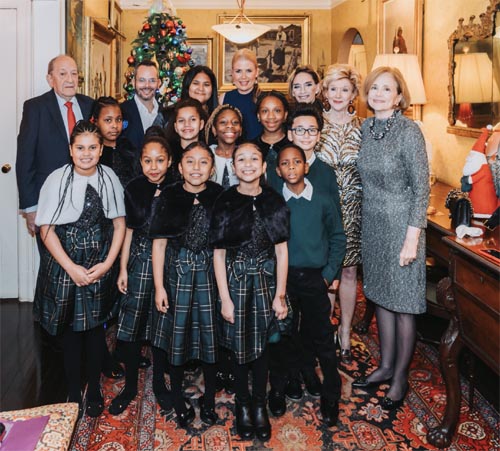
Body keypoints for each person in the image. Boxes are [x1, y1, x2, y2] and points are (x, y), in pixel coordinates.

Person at [33, 120, 126, 418]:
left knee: (95, 331)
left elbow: (119, 223)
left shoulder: (109, 177)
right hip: (65, 264)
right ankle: (74, 389)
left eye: (92, 148)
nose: (86, 154)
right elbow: (45, 229)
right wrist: (71, 268)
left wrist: (109, 263)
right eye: (80, 148)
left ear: (100, 150)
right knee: (72, 331)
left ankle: (95, 389)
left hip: (98, 261)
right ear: (71, 150)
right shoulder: (56, 179)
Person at [353, 67, 429, 411]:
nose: (379, 94)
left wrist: (412, 239)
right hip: (373, 224)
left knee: (404, 304)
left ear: (399, 97)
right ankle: (384, 365)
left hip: (402, 227)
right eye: (375, 88)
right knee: (381, 296)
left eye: (388, 89)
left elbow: (421, 189)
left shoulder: (410, 131)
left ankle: (399, 376)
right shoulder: (366, 129)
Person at [210, 142, 289, 441]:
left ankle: (260, 405)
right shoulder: (225, 201)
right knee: (240, 349)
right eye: (240, 159)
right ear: (233, 167)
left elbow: (281, 252)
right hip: (236, 282)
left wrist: (279, 294)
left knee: (263, 349)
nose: (247, 164)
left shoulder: (273, 199)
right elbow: (218, 254)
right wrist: (225, 299)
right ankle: (242, 404)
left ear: (264, 166)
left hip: (266, 281)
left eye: (253, 158)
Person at [268, 104, 341, 400]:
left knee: (314, 328)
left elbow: (335, 227)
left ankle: (309, 371)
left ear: (319, 135)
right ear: (289, 132)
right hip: (284, 269)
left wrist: (329, 274)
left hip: (314, 269)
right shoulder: (276, 171)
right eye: (299, 129)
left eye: (311, 129)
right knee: (286, 327)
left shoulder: (324, 173)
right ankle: (290, 375)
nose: (305, 134)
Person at [150, 142, 223, 428]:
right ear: (179, 167)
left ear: (212, 168)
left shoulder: (219, 196)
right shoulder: (168, 195)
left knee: (209, 338)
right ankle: (178, 398)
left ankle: (208, 400)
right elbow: (158, 245)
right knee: (177, 339)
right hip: (176, 273)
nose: (196, 168)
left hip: (208, 273)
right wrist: (159, 287)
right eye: (189, 162)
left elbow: (224, 247)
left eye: (203, 162)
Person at [108, 135, 172, 415]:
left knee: (162, 324)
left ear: (170, 162)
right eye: (148, 161)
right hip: (138, 259)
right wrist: (123, 268)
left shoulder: (177, 188)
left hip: (169, 261)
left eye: (160, 160)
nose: (154, 166)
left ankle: (160, 384)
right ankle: (131, 385)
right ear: (141, 162)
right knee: (132, 325)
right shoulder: (134, 188)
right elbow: (128, 232)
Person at [316, 64, 363, 364]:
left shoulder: (364, 127)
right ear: (324, 92)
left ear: (353, 94)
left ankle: (344, 331)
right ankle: (323, 330)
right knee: (325, 271)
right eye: (332, 88)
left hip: (355, 206)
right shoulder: (313, 123)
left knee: (348, 271)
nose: (338, 94)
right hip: (323, 206)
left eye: (344, 89)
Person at [16, 54, 94, 237]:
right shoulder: (35, 108)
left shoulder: (90, 105)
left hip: (86, 200)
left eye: (74, 74)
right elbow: (25, 158)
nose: (70, 79)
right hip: (48, 202)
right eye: (63, 74)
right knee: (51, 262)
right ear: (50, 79)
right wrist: (30, 208)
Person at [91, 96, 140, 187]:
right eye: (108, 120)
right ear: (96, 122)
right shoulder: (93, 153)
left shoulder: (129, 149)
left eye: (118, 119)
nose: (114, 125)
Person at [154, 65, 219, 128]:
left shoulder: (219, 117)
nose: (201, 88)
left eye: (206, 85)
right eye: (196, 83)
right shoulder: (167, 115)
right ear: (187, 86)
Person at [219, 49, 262, 140]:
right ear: (232, 73)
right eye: (238, 71)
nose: (243, 76)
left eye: (248, 71)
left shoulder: (265, 99)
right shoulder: (223, 98)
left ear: (256, 72)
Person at [121, 60, 162, 150]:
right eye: (142, 80)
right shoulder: (121, 112)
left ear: (158, 83)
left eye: (152, 80)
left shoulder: (166, 113)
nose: (147, 85)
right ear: (133, 82)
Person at [164, 98, 207, 184]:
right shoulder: (167, 154)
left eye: (193, 119)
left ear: (201, 124)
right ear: (176, 127)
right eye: (181, 120)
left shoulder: (208, 152)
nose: (187, 124)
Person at [253, 91, 291, 179]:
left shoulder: (293, 146)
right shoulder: (252, 147)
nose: (271, 116)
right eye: (265, 111)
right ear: (258, 116)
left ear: (285, 115)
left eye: (277, 111)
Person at [205, 104, 243, 188]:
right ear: (214, 130)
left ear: (240, 130)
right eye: (223, 122)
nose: (230, 125)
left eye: (235, 122)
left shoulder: (245, 155)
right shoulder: (206, 154)